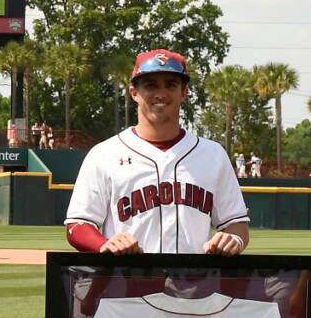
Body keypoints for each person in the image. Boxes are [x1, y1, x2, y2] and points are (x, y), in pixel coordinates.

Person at [63, 50, 248, 256]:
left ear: (184, 93)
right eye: (151, 85)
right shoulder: (104, 154)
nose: (161, 93)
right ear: (134, 93)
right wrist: (103, 244)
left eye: (171, 84)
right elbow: (77, 224)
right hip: (127, 283)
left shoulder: (213, 155)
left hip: (194, 284)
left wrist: (234, 239)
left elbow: (236, 223)